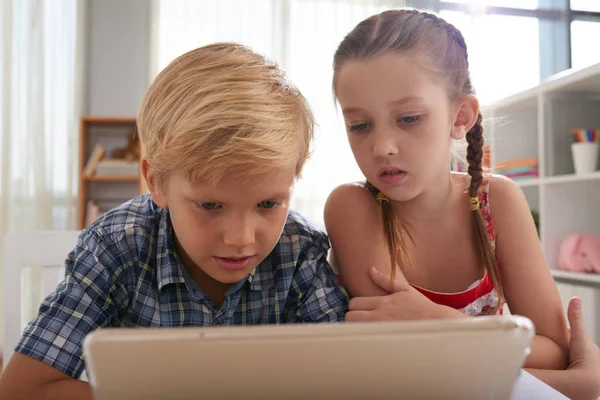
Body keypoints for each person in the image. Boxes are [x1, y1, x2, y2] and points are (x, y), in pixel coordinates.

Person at [0, 42, 348, 400]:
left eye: (269, 203)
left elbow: (345, 379)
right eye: (210, 204)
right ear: (157, 183)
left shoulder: (299, 250)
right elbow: (22, 389)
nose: (241, 239)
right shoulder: (118, 246)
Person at [324, 7, 569, 375]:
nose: (382, 147)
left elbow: (554, 350)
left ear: (460, 117)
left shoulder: (497, 200)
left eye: (408, 118)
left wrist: (439, 321)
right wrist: (501, 347)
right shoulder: (351, 206)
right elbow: (402, 359)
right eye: (360, 125)